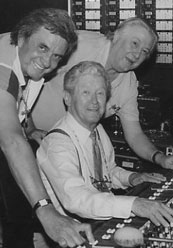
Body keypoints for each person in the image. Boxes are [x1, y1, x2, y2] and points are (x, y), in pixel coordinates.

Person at [32, 17, 173, 170]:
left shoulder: (128, 84)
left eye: (144, 51)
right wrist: (28, 128)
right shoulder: (80, 45)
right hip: (29, 137)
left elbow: (135, 135)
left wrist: (160, 158)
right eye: (134, 43)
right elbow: (25, 69)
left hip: (64, 152)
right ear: (116, 36)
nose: (137, 55)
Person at [37, 60, 173, 228]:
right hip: (78, 233)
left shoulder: (97, 129)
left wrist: (132, 178)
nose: (95, 101)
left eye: (100, 93)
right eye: (85, 93)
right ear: (68, 98)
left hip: (102, 221)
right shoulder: (57, 145)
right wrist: (134, 204)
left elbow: (107, 172)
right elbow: (76, 199)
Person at [0, 8, 94, 248]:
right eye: (43, 47)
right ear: (21, 38)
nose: (48, 62)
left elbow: (18, 103)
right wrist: (46, 210)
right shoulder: (2, 67)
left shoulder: (28, 64)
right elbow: (10, 140)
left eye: (56, 56)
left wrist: (29, 128)